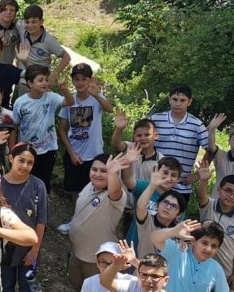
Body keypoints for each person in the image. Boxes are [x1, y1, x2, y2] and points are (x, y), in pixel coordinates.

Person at [0, 143, 48, 292]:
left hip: (29, 248)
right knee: (6, 286)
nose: (25, 166)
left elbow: (41, 220)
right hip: (5, 247)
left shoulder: (38, 186)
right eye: (21, 160)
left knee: (27, 287)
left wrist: (34, 250)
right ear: (11, 158)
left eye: (30, 162)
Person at [66, 151, 133, 292]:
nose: (97, 174)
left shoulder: (115, 196)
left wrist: (114, 172)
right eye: (94, 169)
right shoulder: (90, 185)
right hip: (77, 251)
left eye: (104, 171)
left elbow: (115, 190)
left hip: (96, 259)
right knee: (76, 282)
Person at [56, 64, 113, 200]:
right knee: (75, 191)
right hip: (75, 154)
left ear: (90, 80)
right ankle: (77, 216)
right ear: (73, 81)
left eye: (84, 79)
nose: (80, 82)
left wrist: (96, 95)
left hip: (94, 154)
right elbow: (62, 129)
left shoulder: (96, 98)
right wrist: (71, 153)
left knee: (94, 190)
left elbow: (110, 109)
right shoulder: (69, 100)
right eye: (77, 79)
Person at [11, 64, 71, 189]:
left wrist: (65, 90)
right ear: (30, 83)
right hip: (26, 149)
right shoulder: (20, 102)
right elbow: (14, 126)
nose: (44, 83)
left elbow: (70, 102)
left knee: (43, 183)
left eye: (46, 79)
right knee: (24, 181)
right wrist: (12, 149)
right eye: (40, 80)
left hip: (48, 149)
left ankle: (41, 206)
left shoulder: (51, 97)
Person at [149, 84, 212, 198]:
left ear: (189, 102)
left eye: (182, 100)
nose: (178, 103)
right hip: (154, 182)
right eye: (175, 99)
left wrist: (197, 175)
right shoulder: (155, 119)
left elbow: (211, 150)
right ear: (169, 100)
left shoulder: (197, 125)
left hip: (181, 187)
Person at [196, 169, 234, 284]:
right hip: (199, 263)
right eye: (228, 191)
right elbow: (201, 196)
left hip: (224, 269)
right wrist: (204, 181)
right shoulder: (209, 205)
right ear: (219, 190)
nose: (231, 196)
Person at [15, 5, 68, 83]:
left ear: (41, 22)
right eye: (27, 22)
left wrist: (54, 74)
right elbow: (7, 18)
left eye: (34, 22)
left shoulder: (49, 40)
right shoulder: (22, 28)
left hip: (40, 82)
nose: (30, 25)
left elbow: (66, 57)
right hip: (23, 80)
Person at [112, 110, 164, 183]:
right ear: (134, 137)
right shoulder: (130, 148)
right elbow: (116, 143)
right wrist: (119, 129)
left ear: (155, 135)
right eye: (139, 135)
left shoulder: (161, 160)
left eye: (147, 135)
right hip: (126, 193)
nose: (143, 138)